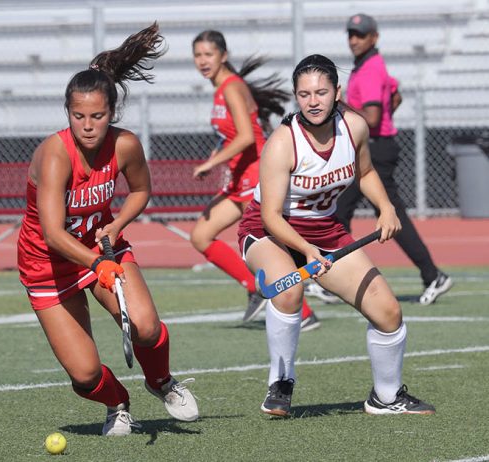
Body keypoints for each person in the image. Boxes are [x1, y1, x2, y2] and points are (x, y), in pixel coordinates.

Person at [17, 23, 198, 436]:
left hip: (102, 248)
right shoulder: (54, 155)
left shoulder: (125, 145)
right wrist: (97, 263)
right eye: (78, 116)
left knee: (146, 327)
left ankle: (162, 382)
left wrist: (116, 225)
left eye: (97, 116)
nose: (87, 125)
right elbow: (52, 233)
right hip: (48, 265)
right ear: (67, 113)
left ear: (111, 113)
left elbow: (141, 191)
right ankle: (117, 403)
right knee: (84, 375)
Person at [237, 54, 435, 417]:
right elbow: (270, 216)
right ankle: (280, 382)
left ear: (337, 92)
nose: (313, 101)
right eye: (304, 94)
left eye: (321, 92)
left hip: (325, 231)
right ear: (296, 97)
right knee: (288, 289)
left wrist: (386, 207)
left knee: (388, 312)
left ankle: (386, 397)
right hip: (269, 232)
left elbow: (366, 172)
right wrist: (306, 250)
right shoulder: (283, 142)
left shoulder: (354, 126)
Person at [191, 29, 320, 331]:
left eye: (209, 54)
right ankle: (256, 288)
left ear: (223, 56)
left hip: (257, 175)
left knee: (266, 246)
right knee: (201, 236)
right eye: (197, 55)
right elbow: (232, 134)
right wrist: (218, 153)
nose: (202, 61)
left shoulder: (232, 87)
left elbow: (248, 137)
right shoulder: (222, 88)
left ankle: (302, 312)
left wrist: (211, 163)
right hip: (241, 178)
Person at [336, 13, 453, 305]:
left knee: (346, 214)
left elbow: (373, 117)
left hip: (373, 151)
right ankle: (431, 275)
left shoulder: (370, 68)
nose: (354, 40)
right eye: (351, 34)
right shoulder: (370, 65)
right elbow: (395, 96)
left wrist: (339, 107)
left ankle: (337, 278)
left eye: (360, 35)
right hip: (376, 147)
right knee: (362, 213)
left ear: (374, 37)